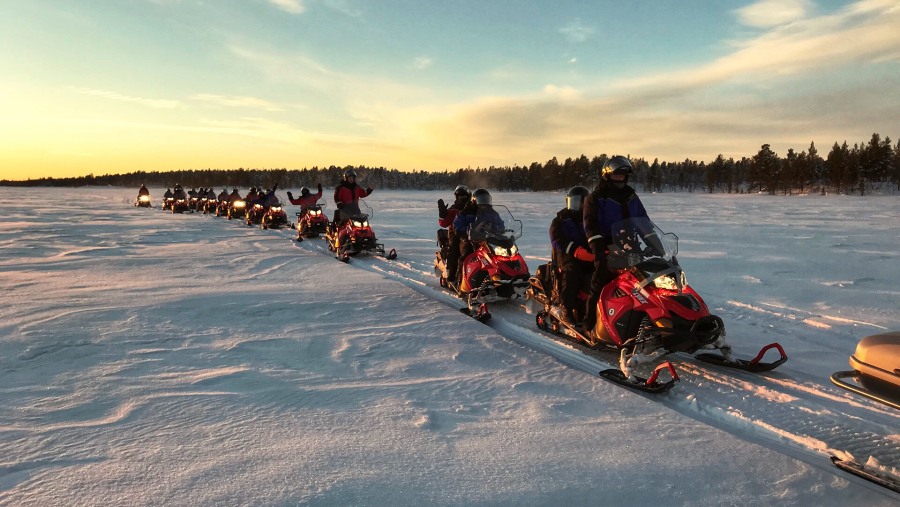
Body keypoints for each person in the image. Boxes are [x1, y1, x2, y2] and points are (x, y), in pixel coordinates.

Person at [582, 155, 650, 331]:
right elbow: (590, 225)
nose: (620, 178)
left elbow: (643, 220)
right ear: (607, 175)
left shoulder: (631, 196)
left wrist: (652, 242)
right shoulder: (596, 198)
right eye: (617, 175)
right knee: (600, 281)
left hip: (631, 246)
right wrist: (598, 248)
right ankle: (589, 323)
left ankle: (641, 319)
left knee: (644, 283)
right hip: (607, 248)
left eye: (623, 175)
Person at [550, 186, 594, 324]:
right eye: (576, 202)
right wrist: (576, 251)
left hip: (590, 254)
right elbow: (558, 240)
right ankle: (566, 308)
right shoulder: (560, 220)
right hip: (567, 256)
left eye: (583, 202)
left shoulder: (591, 219)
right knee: (572, 272)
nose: (579, 205)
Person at [452, 189, 505, 285]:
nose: (484, 204)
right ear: (474, 201)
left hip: (488, 239)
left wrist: (493, 227)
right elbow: (458, 226)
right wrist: (472, 229)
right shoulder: (465, 212)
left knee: (502, 255)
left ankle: (503, 275)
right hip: (469, 239)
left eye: (486, 200)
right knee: (466, 256)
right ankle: (461, 281)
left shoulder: (492, 213)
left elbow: (501, 225)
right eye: (481, 201)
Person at [437, 185, 471, 285]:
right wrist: (443, 215)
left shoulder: (474, 208)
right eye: (459, 197)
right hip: (456, 234)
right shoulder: (454, 209)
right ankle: (451, 275)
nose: (462, 199)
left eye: (464, 196)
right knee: (454, 249)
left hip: (474, 234)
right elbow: (444, 223)